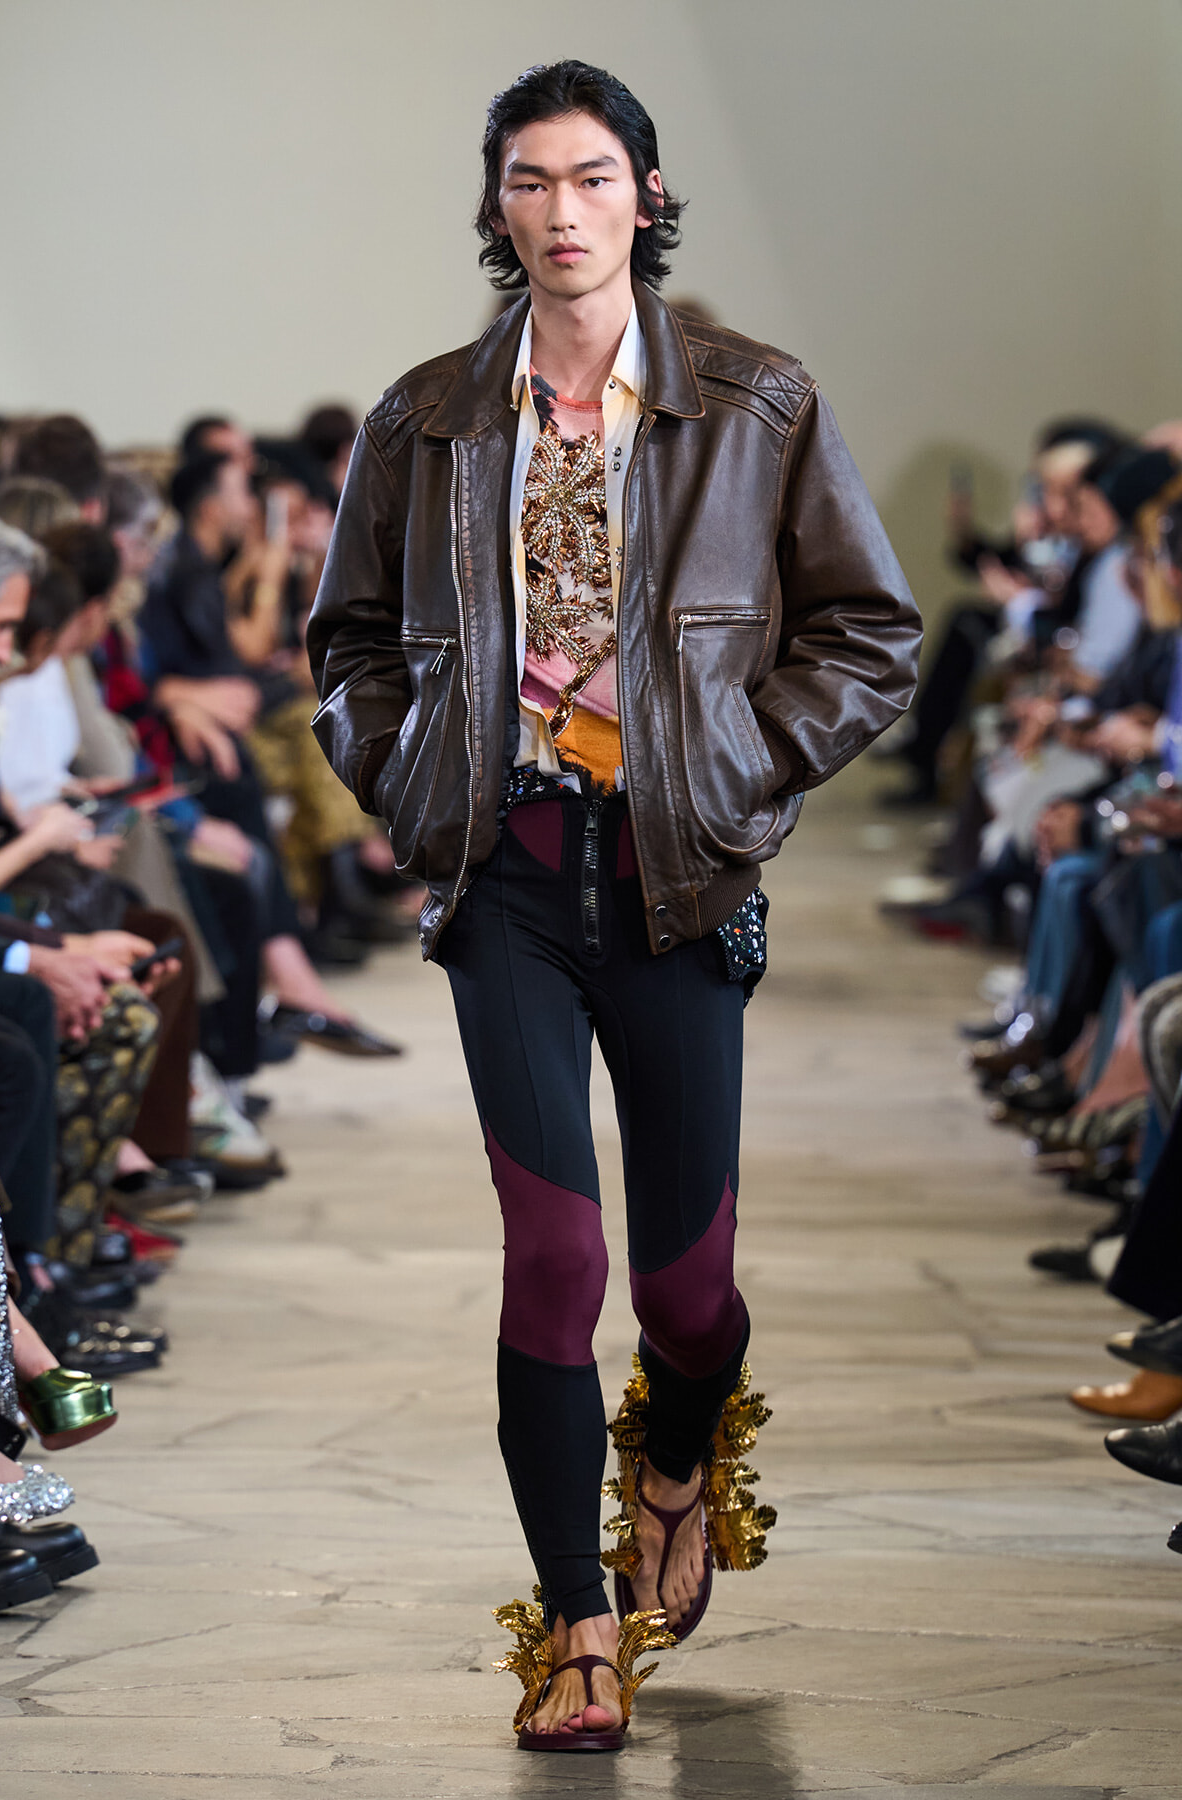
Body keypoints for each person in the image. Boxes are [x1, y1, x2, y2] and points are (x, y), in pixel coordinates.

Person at [309, 60, 920, 1751]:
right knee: (553, 1252)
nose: (562, 211)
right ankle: (576, 1626)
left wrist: (731, 773)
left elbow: (869, 631)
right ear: (498, 207)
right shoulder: (428, 416)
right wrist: (410, 772)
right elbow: (347, 642)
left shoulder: (756, 403)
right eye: (528, 182)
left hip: (674, 881)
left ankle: (674, 1453)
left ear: (645, 194)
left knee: (688, 1294)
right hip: (504, 874)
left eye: (592, 179)